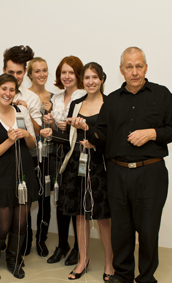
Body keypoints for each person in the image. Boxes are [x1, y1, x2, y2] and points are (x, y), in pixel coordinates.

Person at [72, 47, 172, 283]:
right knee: (121, 231)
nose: (134, 72)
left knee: (148, 230)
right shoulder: (111, 100)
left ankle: (145, 278)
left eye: (139, 66)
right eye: (129, 67)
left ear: (146, 67)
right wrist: (87, 131)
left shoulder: (162, 95)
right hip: (117, 174)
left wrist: (153, 133)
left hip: (151, 173)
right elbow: (102, 135)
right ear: (121, 70)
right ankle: (122, 276)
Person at [41, 62, 114, 281]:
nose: (91, 82)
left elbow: (110, 139)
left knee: (102, 216)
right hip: (75, 163)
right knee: (80, 214)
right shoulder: (76, 103)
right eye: (88, 78)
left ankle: (109, 264)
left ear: (102, 79)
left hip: (100, 164)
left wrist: (88, 131)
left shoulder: (110, 104)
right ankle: (83, 260)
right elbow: (70, 138)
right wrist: (52, 132)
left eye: (95, 77)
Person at [0, 74, 39, 280]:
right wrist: (9, 140)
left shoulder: (21, 111)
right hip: (3, 178)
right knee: (3, 225)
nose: (7, 93)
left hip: (24, 175)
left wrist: (27, 136)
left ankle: (14, 260)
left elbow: (31, 145)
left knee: (21, 223)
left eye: (12, 90)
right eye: (4, 89)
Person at [44, 56, 87, 266]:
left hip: (77, 155)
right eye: (63, 72)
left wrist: (66, 128)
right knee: (60, 201)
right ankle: (62, 245)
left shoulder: (85, 96)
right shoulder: (56, 97)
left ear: (78, 74)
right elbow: (54, 129)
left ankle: (80, 249)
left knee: (75, 203)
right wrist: (49, 122)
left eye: (71, 72)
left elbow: (81, 128)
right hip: (56, 154)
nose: (67, 76)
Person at [25, 57, 54, 257]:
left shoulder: (54, 97)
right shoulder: (23, 97)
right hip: (29, 155)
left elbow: (59, 128)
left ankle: (41, 240)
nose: (41, 74)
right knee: (25, 199)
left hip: (48, 155)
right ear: (29, 74)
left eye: (44, 70)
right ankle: (26, 238)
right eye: (37, 71)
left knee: (44, 198)